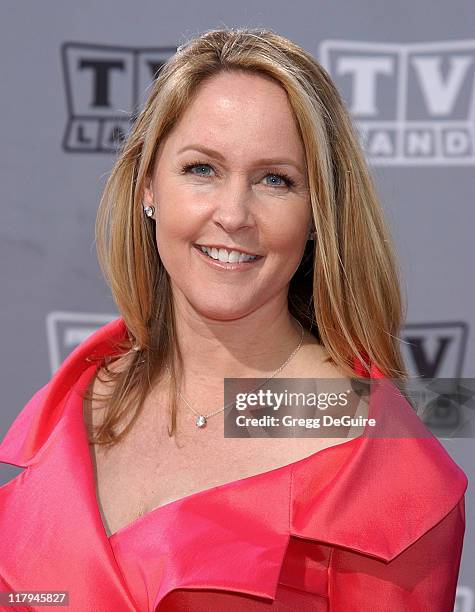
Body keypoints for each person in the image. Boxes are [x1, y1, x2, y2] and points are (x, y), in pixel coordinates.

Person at [0, 27, 467, 611]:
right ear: (148, 184)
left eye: (276, 180)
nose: (234, 214)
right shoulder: (78, 402)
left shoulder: (382, 472)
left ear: (318, 213)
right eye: (202, 169)